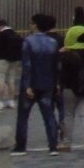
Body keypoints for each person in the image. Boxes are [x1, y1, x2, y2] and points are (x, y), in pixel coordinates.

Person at [13, 14, 61, 155]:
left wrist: (27, 85)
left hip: (31, 84)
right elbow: (57, 66)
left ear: (35, 25)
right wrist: (57, 83)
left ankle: (21, 146)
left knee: (23, 116)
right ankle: (53, 146)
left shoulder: (28, 41)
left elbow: (27, 65)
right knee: (49, 115)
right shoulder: (53, 43)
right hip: (47, 84)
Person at [57, 26, 84, 154]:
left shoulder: (66, 54)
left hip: (69, 87)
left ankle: (66, 143)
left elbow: (60, 71)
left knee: (68, 115)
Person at [0, 21, 22, 110]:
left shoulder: (1, 35)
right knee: (11, 80)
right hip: (15, 60)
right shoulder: (16, 34)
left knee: (1, 80)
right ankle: (11, 101)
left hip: (2, 59)